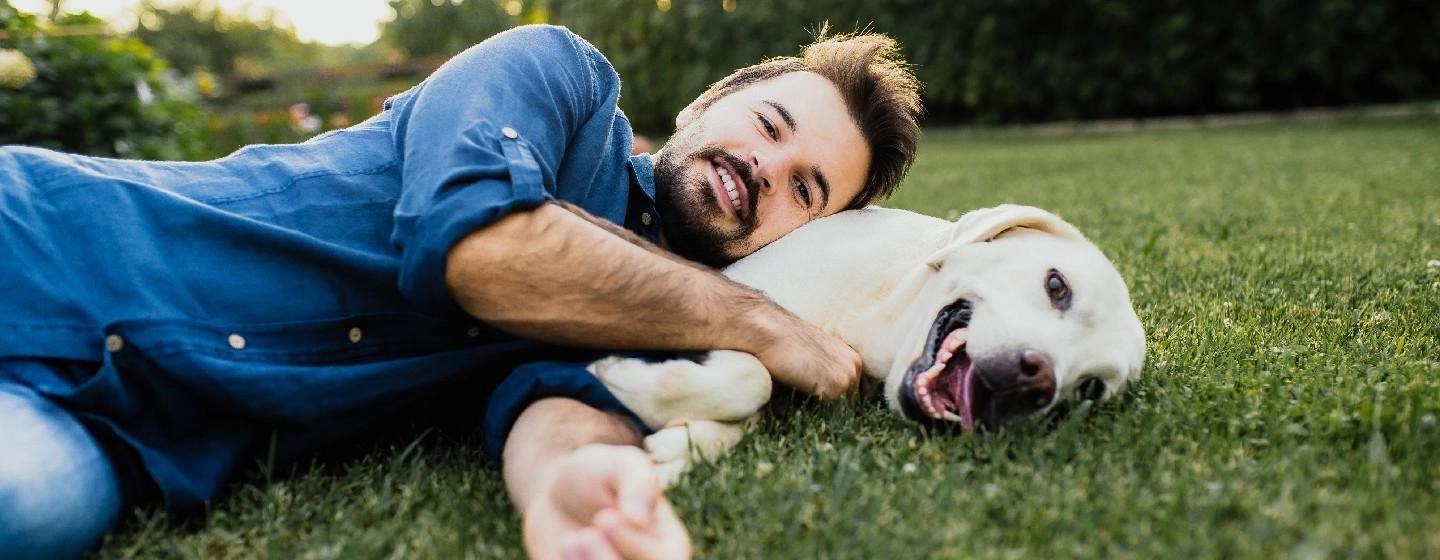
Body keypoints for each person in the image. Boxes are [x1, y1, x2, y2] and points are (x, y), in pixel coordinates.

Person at [0, 23, 921, 560]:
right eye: (769, 125)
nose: (765, 170)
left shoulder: (666, 331)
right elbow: (481, 249)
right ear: (704, 106)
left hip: (133, 439)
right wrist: (760, 320)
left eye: (806, 189)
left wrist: (571, 489)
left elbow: (555, 403)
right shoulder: (557, 73)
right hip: (44, 240)